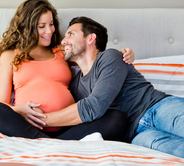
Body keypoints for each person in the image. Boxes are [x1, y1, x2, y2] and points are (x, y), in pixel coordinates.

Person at [0, 0, 135, 141]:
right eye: (42, 26)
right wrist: (21, 110)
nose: (50, 31)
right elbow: (1, 104)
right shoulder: (10, 56)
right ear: (26, 27)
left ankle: (46, 143)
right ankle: (45, 141)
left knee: (117, 119)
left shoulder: (62, 50)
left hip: (69, 128)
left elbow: (93, 58)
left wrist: (123, 54)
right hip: (26, 127)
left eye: (51, 24)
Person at [36, 16, 184, 158]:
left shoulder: (110, 57)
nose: (64, 41)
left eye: (71, 34)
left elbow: (95, 106)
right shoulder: (75, 85)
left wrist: (42, 120)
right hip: (136, 134)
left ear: (90, 39)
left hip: (157, 108)